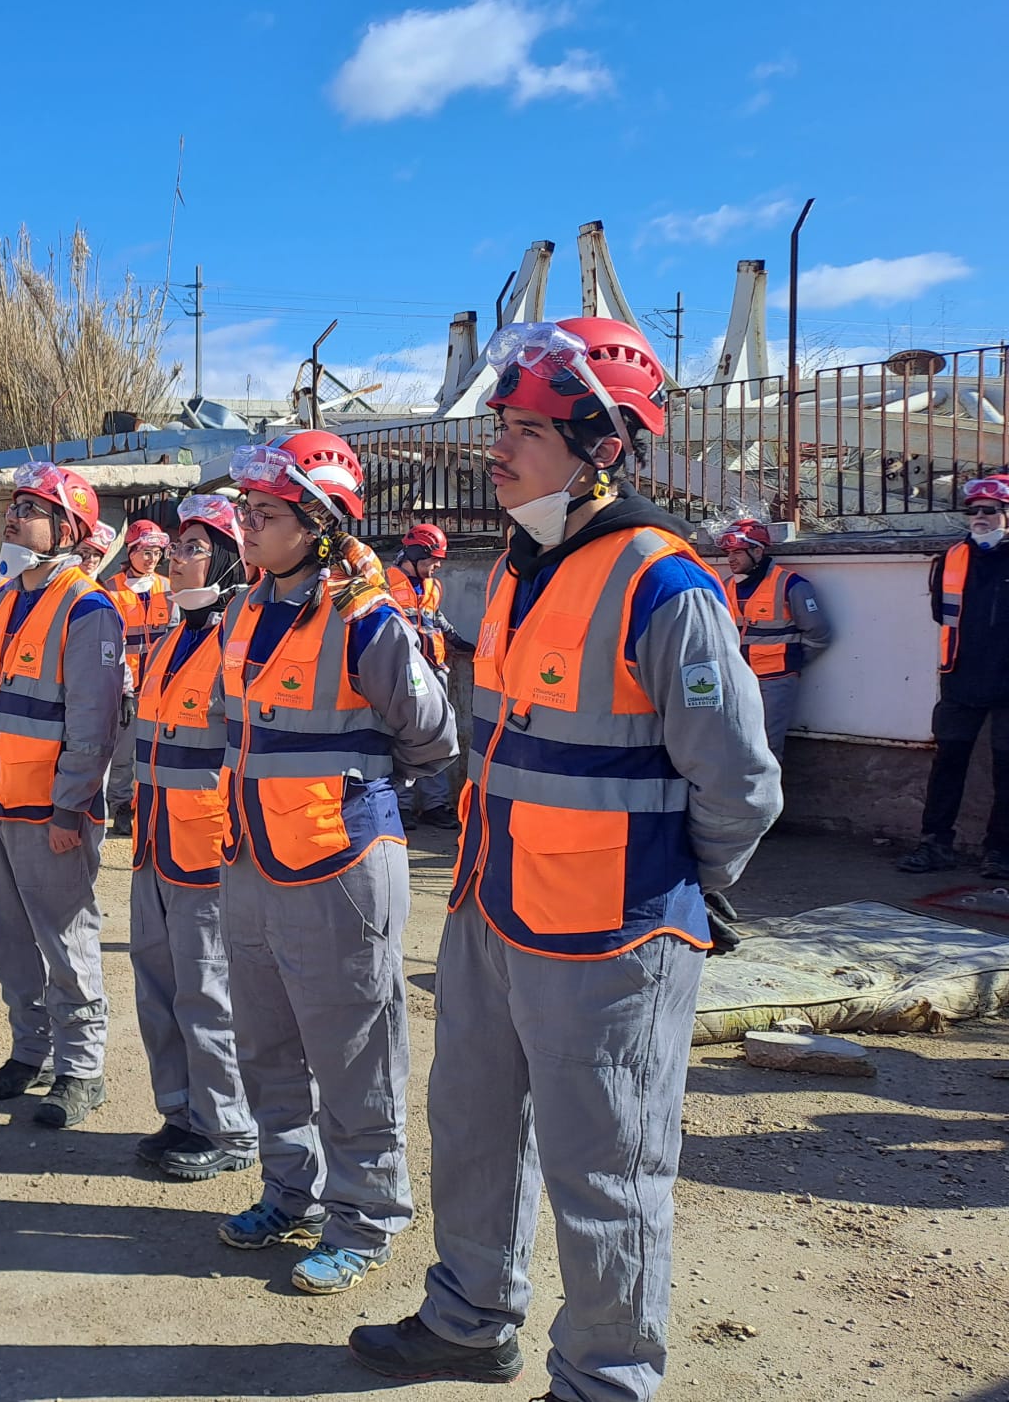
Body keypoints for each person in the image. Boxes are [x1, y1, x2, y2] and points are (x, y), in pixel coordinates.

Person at [349, 317, 781, 1402]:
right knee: (472, 1129)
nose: (496, 446)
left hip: (612, 933)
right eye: (499, 423)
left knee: (606, 1172)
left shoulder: (665, 586)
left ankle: (604, 1379)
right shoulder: (519, 567)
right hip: (494, 909)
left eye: (525, 430)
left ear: (601, 447)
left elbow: (739, 784)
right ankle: (469, 1318)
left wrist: (689, 888)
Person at [210, 430, 458, 1299]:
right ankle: (291, 1194)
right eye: (246, 510)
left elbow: (434, 735)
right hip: (252, 855)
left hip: (340, 862)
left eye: (265, 512)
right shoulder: (243, 609)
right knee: (266, 1042)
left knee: (355, 1049)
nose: (246, 525)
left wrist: (361, 785)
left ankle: (367, 1216)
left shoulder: (367, 618)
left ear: (320, 523)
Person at [0, 460, 126, 1128]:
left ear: (67, 529)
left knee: (66, 942)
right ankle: (30, 1050)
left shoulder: (89, 609)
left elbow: (93, 724)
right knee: (6, 937)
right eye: (17, 506)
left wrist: (69, 808)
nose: (15, 518)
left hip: (49, 810)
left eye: (32, 510)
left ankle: (81, 1069)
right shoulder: (1, 598)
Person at [127, 493, 258, 1181]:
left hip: (207, 851)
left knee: (208, 993)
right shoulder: (173, 637)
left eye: (193, 549)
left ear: (231, 560)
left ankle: (230, 1128)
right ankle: (182, 1112)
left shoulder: (241, 642)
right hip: (155, 842)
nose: (174, 559)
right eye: (175, 548)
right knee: (158, 987)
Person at [900, 474, 1009, 876]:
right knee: (947, 764)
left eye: (990, 511)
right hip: (960, 678)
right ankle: (935, 845)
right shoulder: (953, 558)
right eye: (973, 511)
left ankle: (1000, 852)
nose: (980, 517)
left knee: (1007, 770)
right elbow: (941, 613)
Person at [718, 518, 832, 760]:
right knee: (735, 742)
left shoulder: (791, 585)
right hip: (738, 679)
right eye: (728, 553)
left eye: (737, 552)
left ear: (758, 551)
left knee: (767, 748)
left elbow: (819, 634)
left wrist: (791, 662)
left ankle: (770, 786)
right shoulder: (726, 587)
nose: (731, 559)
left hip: (775, 681)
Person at [385, 523, 464, 830]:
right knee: (402, 739)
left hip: (434, 670)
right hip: (402, 671)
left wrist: (456, 639)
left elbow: (435, 618)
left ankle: (434, 805)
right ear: (416, 554)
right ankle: (401, 805)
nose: (438, 565)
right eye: (433, 559)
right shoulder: (384, 584)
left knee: (437, 738)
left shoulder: (433, 586)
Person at [104, 518, 173, 838]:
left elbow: (174, 637)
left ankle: (149, 807)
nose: (151, 558)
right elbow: (111, 644)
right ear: (130, 551)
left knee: (156, 752)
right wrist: (124, 690)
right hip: (127, 687)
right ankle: (121, 808)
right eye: (146, 551)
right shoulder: (111, 589)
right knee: (123, 754)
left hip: (159, 686)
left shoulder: (168, 588)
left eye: (157, 553)